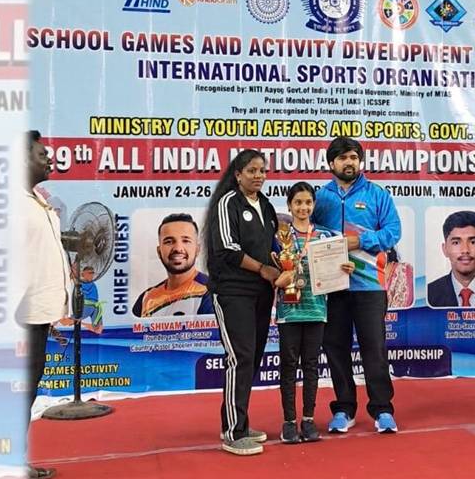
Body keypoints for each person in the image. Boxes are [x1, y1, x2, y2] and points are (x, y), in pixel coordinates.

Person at [311, 137, 401, 434]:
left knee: (374, 348)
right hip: (331, 285)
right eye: (342, 158)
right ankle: (344, 409)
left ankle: (382, 409)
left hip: (369, 286)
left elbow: (393, 232)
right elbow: (308, 233)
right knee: (335, 348)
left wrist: (360, 240)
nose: (349, 162)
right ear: (331, 163)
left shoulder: (377, 195)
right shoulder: (320, 198)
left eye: (353, 157)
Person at [204, 149, 279, 455]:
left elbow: (273, 248)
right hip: (232, 291)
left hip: (263, 292)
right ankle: (233, 433)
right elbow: (227, 250)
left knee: (253, 356)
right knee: (240, 356)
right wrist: (262, 268)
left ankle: (240, 423)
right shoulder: (227, 204)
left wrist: (284, 266)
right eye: (252, 171)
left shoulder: (267, 205)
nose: (258, 176)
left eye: (262, 170)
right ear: (238, 175)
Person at [274, 182, 354, 444]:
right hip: (289, 310)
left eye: (308, 202)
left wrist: (345, 268)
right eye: (298, 202)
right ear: (289, 205)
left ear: (314, 205)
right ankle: (288, 422)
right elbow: (272, 270)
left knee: (311, 366)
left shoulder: (324, 237)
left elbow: (337, 269)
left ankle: (308, 420)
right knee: (288, 366)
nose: (303, 207)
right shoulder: (280, 237)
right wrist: (278, 278)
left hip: (317, 310)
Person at [16, 130, 66, 479]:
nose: (49, 159)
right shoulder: (11, 204)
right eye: (41, 154)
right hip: (20, 316)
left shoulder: (34, 201)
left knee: (29, 390)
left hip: (39, 313)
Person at [132, 213, 213, 317]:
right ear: (159, 251)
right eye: (169, 242)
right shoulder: (146, 299)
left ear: (197, 249)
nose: (178, 248)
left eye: (186, 241)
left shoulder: (210, 292)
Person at [427, 210, 475, 308]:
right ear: (445, 249)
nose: (465, 250)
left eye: (473, 242)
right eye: (456, 242)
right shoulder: (429, 294)